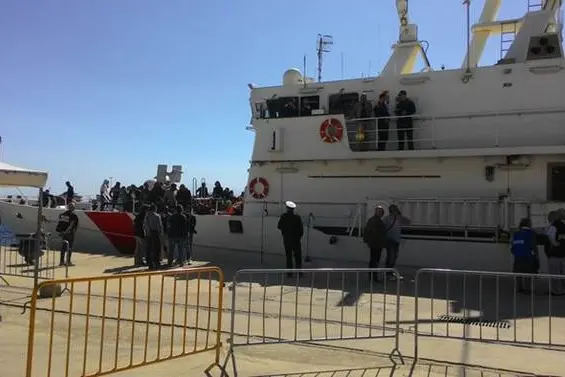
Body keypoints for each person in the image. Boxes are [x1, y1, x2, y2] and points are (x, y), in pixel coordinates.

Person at [382, 204, 411, 279]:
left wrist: (400, 215)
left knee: (394, 257)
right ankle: (388, 274)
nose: (396, 211)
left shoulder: (399, 218)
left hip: (396, 240)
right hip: (389, 240)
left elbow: (408, 222)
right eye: (395, 209)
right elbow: (382, 228)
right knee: (391, 257)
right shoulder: (386, 219)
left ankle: (391, 272)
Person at [510, 218, 538, 293]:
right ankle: (528, 289)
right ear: (528, 224)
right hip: (527, 256)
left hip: (518, 256)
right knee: (528, 273)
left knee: (518, 272)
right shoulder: (531, 233)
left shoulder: (517, 233)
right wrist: (536, 255)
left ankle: (519, 287)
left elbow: (513, 244)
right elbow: (533, 245)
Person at [277, 201, 304, 276]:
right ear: (293, 209)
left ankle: (289, 273)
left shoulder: (284, 216)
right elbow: (301, 230)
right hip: (296, 240)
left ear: (287, 208)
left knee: (288, 257)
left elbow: (279, 226)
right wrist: (298, 237)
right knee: (298, 256)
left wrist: (285, 231)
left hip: (287, 239)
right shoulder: (297, 217)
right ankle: (299, 273)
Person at [363, 205, 388, 282]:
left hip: (374, 243)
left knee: (373, 260)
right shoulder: (377, 221)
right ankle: (373, 277)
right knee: (375, 260)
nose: (381, 214)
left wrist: (367, 240)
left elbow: (366, 231)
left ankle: (372, 276)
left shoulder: (372, 220)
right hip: (376, 244)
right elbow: (370, 231)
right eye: (380, 212)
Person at [546, 210, 565, 296]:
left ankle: (556, 291)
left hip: (555, 254)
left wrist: (555, 244)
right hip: (563, 254)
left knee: (555, 274)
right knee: (562, 273)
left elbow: (550, 236)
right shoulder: (563, 226)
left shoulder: (554, 226)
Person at [55, 202, 79, 266]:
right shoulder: (74, 216)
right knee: (69, 247)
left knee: (63, 248)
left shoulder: (62, 214)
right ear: (73, 208)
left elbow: (61, 224)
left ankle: (61, 262)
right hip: (69, 233)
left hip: (63, 233)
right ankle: (68, 262)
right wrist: (66, 231)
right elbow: (71, 225)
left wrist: (62, 232)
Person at [143, 204, 164, 269]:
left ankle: (150, 263)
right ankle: (156, 263)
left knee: (149, 249)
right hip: (155, 234)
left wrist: (147, 232)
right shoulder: (157, 216)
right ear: (155, 209)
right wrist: (161, 233)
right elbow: (159, 226)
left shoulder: (147, 216)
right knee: (156, 249)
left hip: (148, 234)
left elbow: (144, 225)